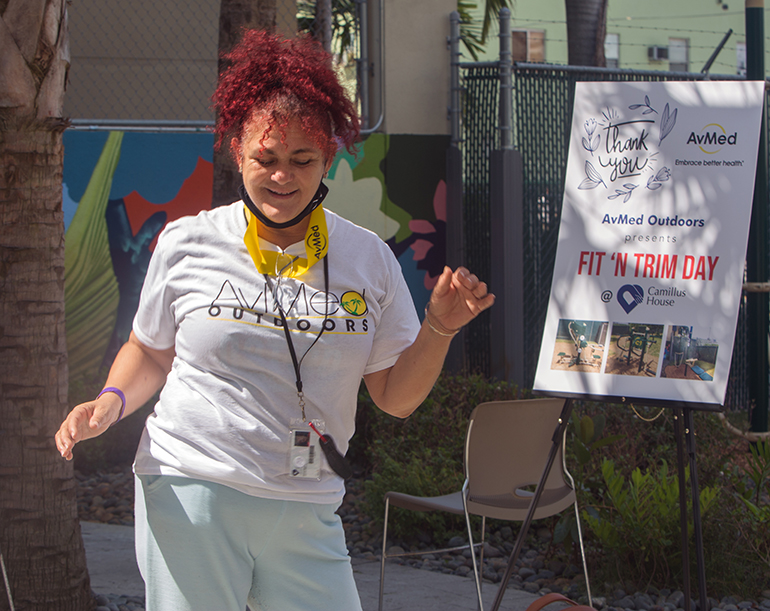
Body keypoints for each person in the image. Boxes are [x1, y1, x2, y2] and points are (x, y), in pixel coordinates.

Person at [56, 30, 494, 611]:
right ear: (237, 151)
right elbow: (152, 349)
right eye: (265, 159)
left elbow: (395, 398)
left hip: (307, 501)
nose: (281, 177)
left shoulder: (369, 259)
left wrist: (440, 327)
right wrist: (109, 401)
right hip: (191, 485)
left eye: (301, 160)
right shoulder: (187, 242)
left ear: (328, 158)